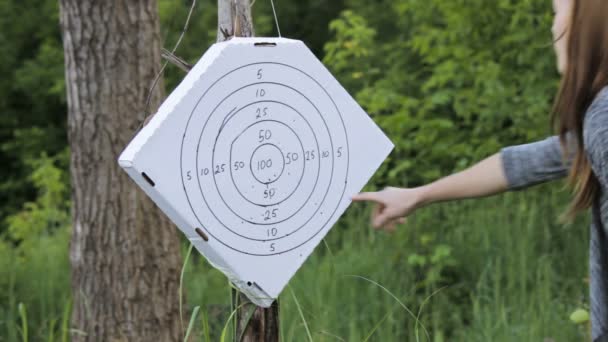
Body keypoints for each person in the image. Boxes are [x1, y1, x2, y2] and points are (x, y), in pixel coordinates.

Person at [352, 0, 608, 340]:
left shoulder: (603, 118)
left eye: (556, 12)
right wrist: (418, 195)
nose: (552, 27)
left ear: (588, 23)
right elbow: (524, 164)